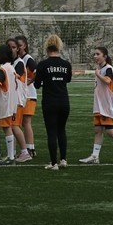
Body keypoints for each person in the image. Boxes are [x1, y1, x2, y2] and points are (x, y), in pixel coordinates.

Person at [34, 35, 73, 170]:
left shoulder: (43, 65)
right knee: (61, 130)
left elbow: (37, 85)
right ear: (59, 47)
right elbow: (68, 80)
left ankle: (53, 163)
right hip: (64, 101)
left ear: (47, 47)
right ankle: (63, 159)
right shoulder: (66, 64)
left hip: (50, 102)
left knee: (51, 131)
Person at [0, 43, 27, 165]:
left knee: (6, 128)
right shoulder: (9, 67)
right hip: (4, 102)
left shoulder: (4, 69)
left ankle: (10, 156)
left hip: (5, 102)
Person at [13, 35, 38, 161]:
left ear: (25, 46)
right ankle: (26, 148)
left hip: (29, 95)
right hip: (23, 95)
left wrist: (30, 81)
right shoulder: (18, 60)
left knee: (26, 122)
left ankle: (30, 148)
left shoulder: (27, 59)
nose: (18, 48)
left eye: (20, 45)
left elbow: (37, 71)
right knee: (21, 123)